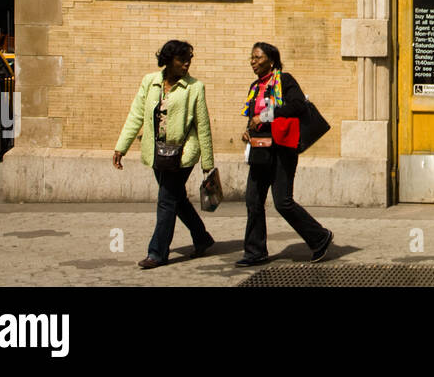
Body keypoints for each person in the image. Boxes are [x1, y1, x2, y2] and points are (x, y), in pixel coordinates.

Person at [113, 40, 216, 269]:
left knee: (166, 201)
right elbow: (136, 115)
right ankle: (202, 238)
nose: (186, 64)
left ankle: (157, 253)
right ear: (168, 61)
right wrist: (122, 146)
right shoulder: (150, 82)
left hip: (183, 154)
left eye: (189, 59)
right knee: (176, 199)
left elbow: (203, 125)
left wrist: (207, 163)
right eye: (182, 60)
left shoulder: (194, 87)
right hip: (157, 153)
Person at [237, 42, 334, 266]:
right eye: (251, 57)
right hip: (260, 149)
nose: (253, 61)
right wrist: (248, 131)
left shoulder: (284, 80)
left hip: (282, 149)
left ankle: (319, 237)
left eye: (257, 57)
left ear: (271, 60)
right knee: (253, 200)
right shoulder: (255, 87)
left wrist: (265, 116)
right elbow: (252, 117)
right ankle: (255, 252)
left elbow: (298, 105)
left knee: (282, 202)